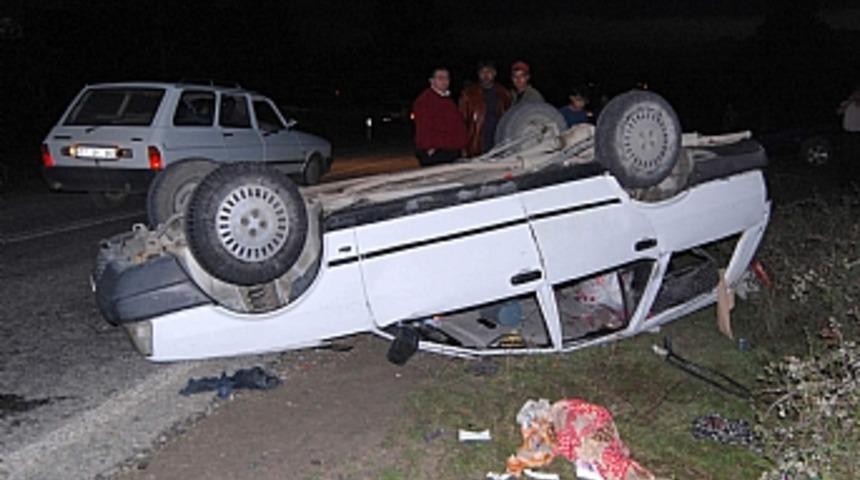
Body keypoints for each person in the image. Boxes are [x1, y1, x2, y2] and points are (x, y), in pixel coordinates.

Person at [412, 67, 467, 166]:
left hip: (451, 150)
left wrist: (462, 145)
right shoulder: (425, 100)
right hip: (437, 152)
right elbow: (424, 127)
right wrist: (429, 147)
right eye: (440, 78)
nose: (444, 81)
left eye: (446, 78)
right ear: (432, 81)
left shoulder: (448, 100)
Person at [459, 61, 513, 157]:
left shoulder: (504, 94)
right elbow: (461, 121)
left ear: (495, 73)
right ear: (478, 74)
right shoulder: (468, 94)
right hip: (477, 143)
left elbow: (509, 120)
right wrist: (462, 146)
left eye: (489, 71)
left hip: (498, 143)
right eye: (482, 72)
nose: (486, 75)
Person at [837, 86, 860, 166]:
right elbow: (839, 112)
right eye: (856, 94)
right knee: (846, 152)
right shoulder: (846, 103)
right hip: (847, 131)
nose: (857, 96)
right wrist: (849, 101)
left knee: (857, 152)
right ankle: (846, 168)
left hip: (858, 132)